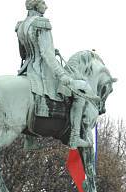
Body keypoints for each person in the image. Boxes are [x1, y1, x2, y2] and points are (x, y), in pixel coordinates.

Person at [16, 0, 95, 149]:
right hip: (43, 71)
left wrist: (52, 50)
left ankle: (29, 139)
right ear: (36, 5)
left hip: (27, 70)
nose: (46, 6)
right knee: (80, 90)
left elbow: (22, 53)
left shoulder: (21, 25)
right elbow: (47, 55)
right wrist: (62, 75)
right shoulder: (42, 23)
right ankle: (75, 137)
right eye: (43, 3)